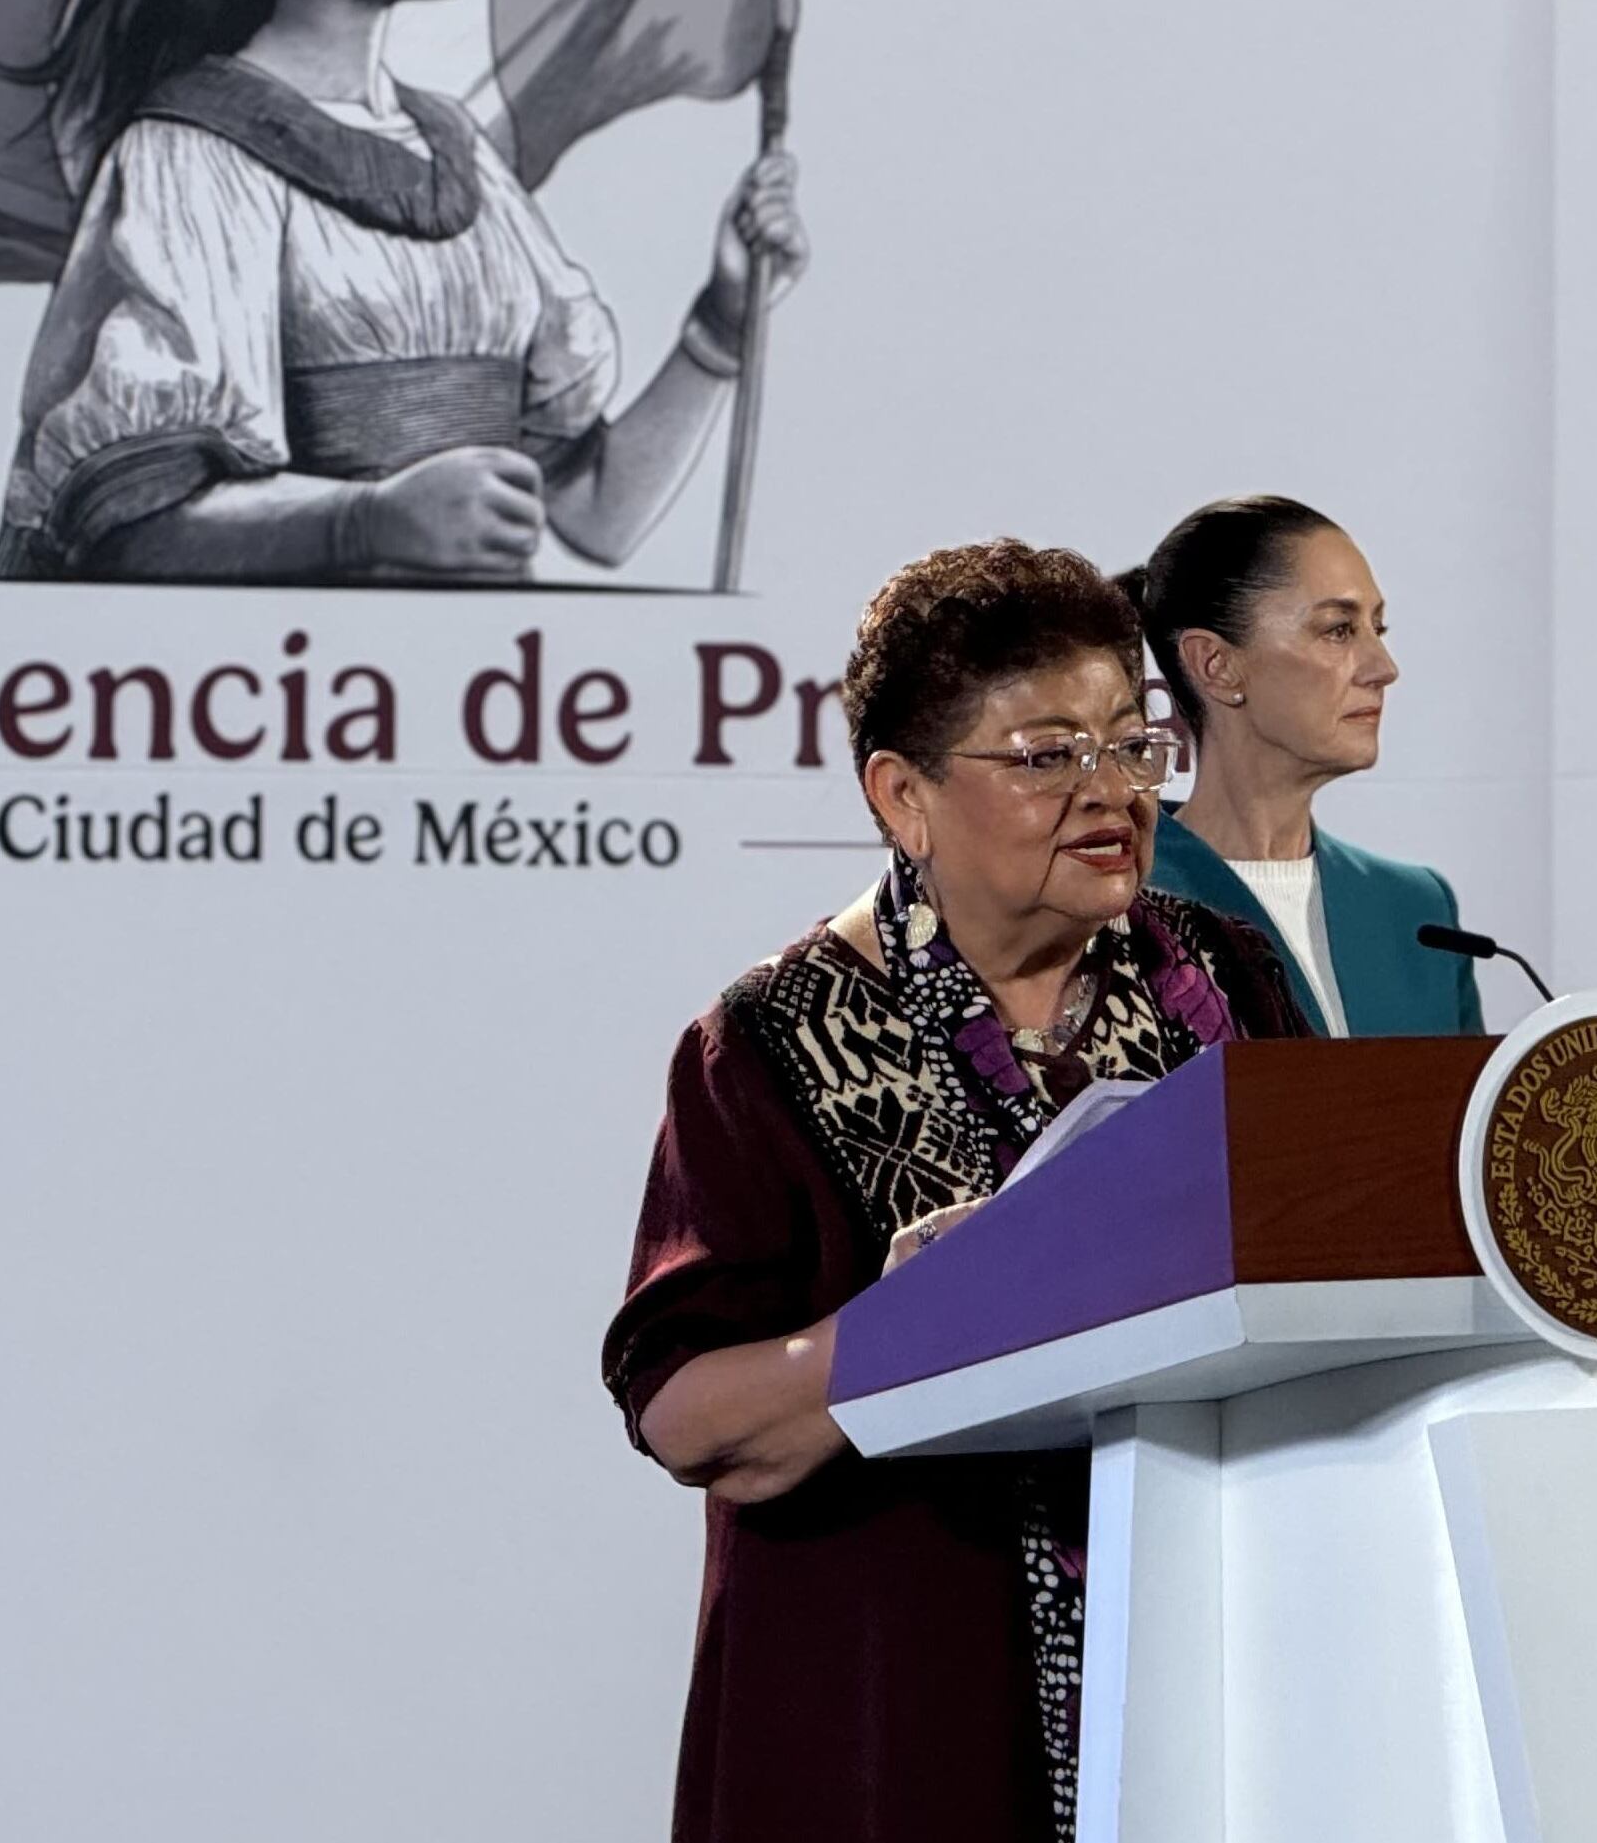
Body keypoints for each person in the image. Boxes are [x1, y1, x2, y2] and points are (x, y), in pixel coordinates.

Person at [603, 542, 1309, 1843]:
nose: (1110, 793)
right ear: (902, 794)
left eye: (1130, 745)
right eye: (1047, 756)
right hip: (899, 1724)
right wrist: (898, 1330)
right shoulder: (774, 1040)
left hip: (1213, 1683)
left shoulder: (1223, 981)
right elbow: (681, 1408)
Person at [0, 0, 810, 581]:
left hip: (489, 700)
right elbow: (127, 530)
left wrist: (723, 320)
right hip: (291, 701)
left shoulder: (466, 164)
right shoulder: (192, 156)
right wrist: (367, 521)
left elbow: (598, 514)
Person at [1119, 496, 1487, 1036]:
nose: (1384, 669)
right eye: (1338, 630)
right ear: (1216, 666)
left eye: (1377, 630)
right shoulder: (1119, 901)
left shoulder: (1417, 908)